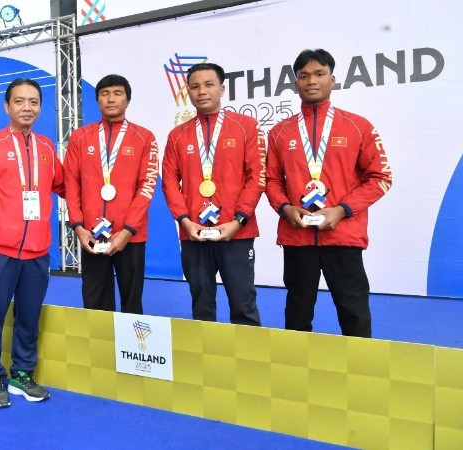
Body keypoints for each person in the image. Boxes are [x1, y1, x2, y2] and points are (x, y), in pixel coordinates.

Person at [265, 49, 392, 338]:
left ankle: (360, 372)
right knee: (297, 309)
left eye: (319, 74)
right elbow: (270, 180)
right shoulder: (280, 133)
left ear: (332, 80)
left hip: (343, 234)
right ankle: (296, 369)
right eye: (304, 76)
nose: (311, 81)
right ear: (295, 83)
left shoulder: (359, 127)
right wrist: (285, 208)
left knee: (353, 308)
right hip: (297, 235)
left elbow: (380, 177)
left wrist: (342, 210)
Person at [0, 78, 64, 408]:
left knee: (28, 317)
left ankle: (22, 373)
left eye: (33, 101)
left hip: (37, 251)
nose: (27, 107)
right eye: (19, 101)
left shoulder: (48, 148)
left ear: (40, 107)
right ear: (7, 106)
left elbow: (66, 185)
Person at [162, 62, 265, 325]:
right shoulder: (177, 135)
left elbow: (257, 178)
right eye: (195, 86)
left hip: (236, 231)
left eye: (209, 85)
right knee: (201, 303)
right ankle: (205, 360)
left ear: (221, 89)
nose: (202, 91)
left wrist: (238, 220)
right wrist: (184, 221)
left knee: (243, 302)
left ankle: (248, 361)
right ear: (188, 92)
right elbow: (170, 183)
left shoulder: (246, 127)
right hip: (193, 232)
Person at [64, 74, 159, 314]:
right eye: (105, 94)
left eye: (117, 93)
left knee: (132, 301)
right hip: (92, 235)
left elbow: (146, 186)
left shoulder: (144, 137)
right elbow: (71, 184)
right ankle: (100, 349)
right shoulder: (80, 137)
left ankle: (131, 350)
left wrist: (128, 230)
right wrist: (78, 227)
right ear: (97, 100)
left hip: (130, 236)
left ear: (128, 100)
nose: (111, 99)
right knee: (95, 301)